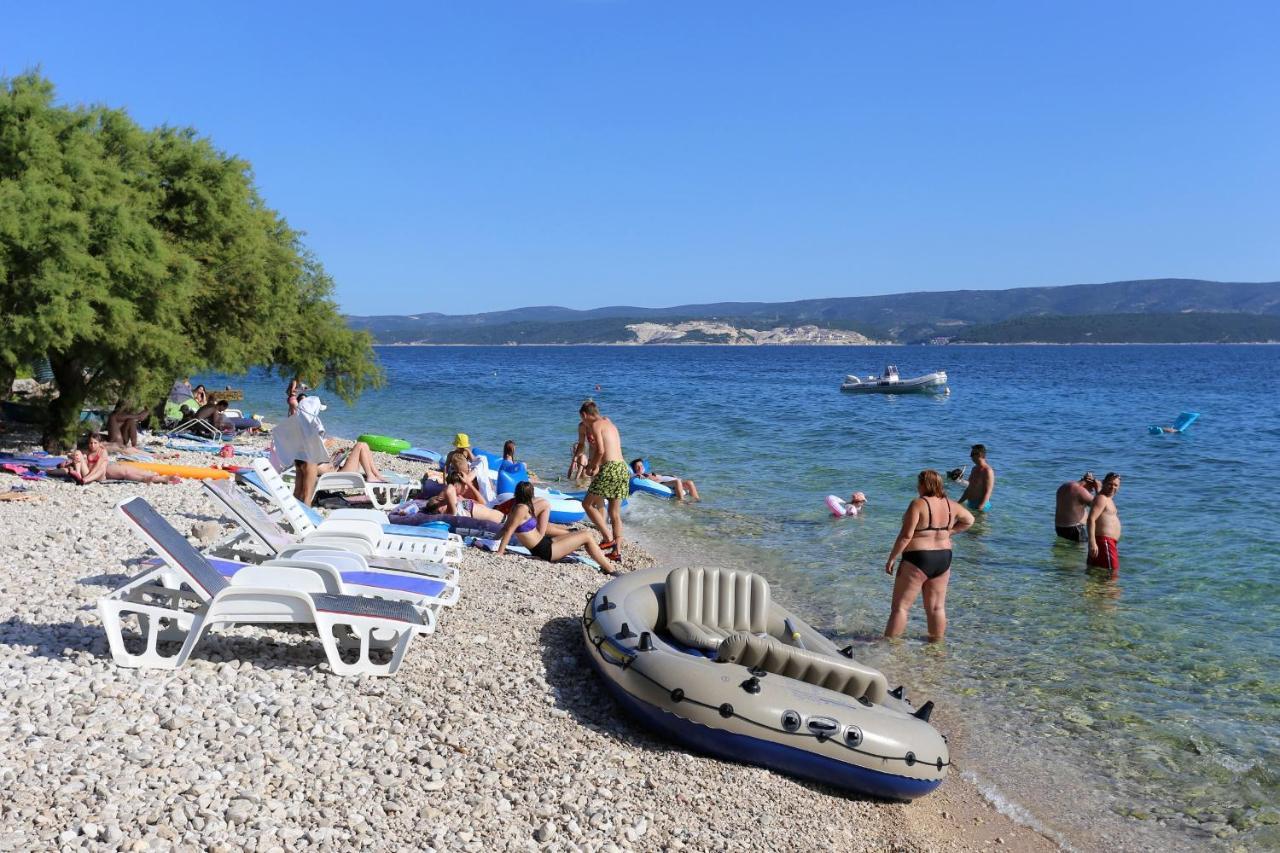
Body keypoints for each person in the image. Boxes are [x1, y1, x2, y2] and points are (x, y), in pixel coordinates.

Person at [884, 469, 975, 641]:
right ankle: (936, 647)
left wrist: (892, 558)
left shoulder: (918, 504)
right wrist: (949, 532)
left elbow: (906, 536)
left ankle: (889, 648)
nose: (917, 487)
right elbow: (970, 520)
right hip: (943, 557)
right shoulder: (951, 505)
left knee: (900, 608)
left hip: (918, 558)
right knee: (936, 608)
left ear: (924, 484)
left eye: (919, 483)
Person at [495, 481, 617, 573]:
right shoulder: (522, 509)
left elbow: (505, 528)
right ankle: (610, 569)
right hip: (545, 551)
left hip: (545, 543)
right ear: (530, 494)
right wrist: (500, 552)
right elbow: (509, 530)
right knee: (587, 536)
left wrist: (493, 539)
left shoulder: (516, 507)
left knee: (584, 534)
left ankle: (606, 566)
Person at [579, 401, 628, 558]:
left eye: (583, 419)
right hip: (623, 468)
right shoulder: (610, 424)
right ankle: (617, 552)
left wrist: (591, 467)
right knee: (615, 513)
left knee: (586, 504)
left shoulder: (595, 425)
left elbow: (600, 450)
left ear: (585, 415)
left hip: (610, 469)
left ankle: (607, 538)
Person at [59, 435, 180, 485]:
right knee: (126, 473)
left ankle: (159, 477)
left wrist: (70, 459)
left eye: (94, 443)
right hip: (104, 471)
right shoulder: (77, 463)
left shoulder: (84, 455)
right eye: (91, 443)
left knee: (130, 469)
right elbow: (59, 470)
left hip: (107, 467)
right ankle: (161, 479)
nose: (92, 445)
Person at [1087, 472, 1123, 577]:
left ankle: (1098, 593)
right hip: (1104, 542)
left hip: (1107, 543)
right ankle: (1109, 593)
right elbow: (1091, 519)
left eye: (1116, 485)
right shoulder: (1102, 498)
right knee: (1112, 574)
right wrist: (1092, 542)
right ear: (1104, 483)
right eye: (1110, 484)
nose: (1113, 487)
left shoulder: (1106, 498)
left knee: (1096, 574)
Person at [629, 458, 701, 501]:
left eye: (641, 465)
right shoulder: (640, 476)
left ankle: (696, 501)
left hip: (668, 481)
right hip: (663, 484)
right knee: (677, 481)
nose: (640, 468)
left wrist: (671, 476)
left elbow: (662, 476)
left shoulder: (649, 473)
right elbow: (629, 476)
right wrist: (636, 474)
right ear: (634, 469)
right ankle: (681, 501)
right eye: (637, 467)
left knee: (690, 482)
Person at [1055, 472, 1098, 542]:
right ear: (1089, 482)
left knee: (1064, 551)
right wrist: (1098, 489)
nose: (1092, 490)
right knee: (1079, 552)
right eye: (1092, 487)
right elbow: (1100, 505)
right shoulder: (1080, 491)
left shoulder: (1064, 486)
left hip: (1059, 528)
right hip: (1075, 530)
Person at [958, 444, 995, 512]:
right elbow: (970, 488)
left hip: (982, 506)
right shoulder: (974, 469)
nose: (970, 456)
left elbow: (988, 491)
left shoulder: (988, 471)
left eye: (972, 454)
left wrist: (980, 507)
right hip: (970, 503)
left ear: (979, 454)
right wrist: (959, 502)